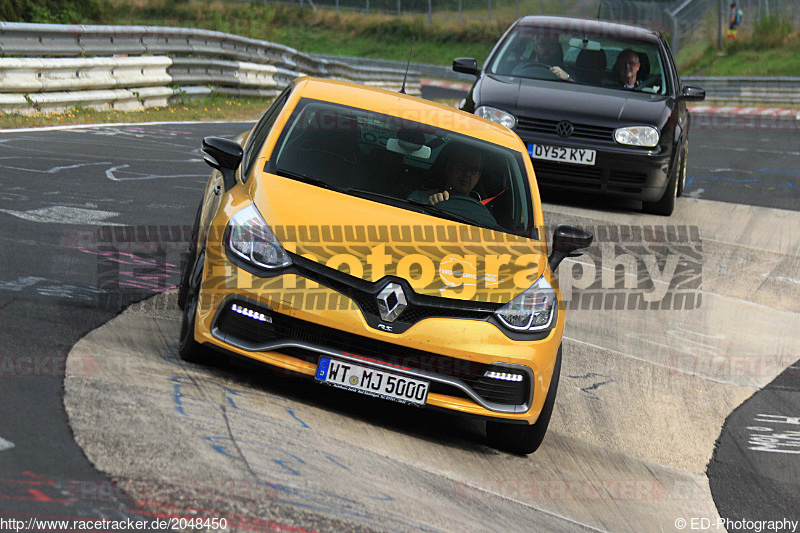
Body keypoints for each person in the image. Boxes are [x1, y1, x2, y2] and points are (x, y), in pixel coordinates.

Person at [407, 142, 498, 227]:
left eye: (474, 170)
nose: (467, 174)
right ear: (449, 167)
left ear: (479, 177)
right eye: (462, 166)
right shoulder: (420, 198)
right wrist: (429, 208)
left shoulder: (482, 214)